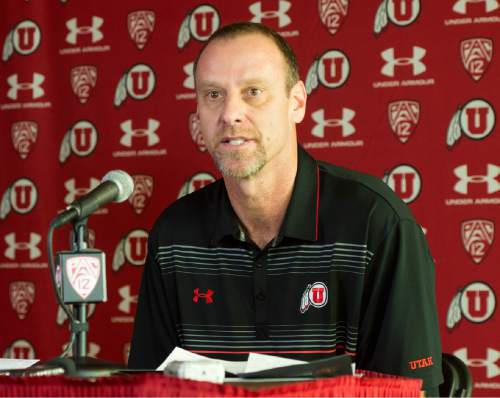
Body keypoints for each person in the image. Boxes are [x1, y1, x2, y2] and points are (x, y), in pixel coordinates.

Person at [128, 22, 443, 393]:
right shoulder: (174, 235)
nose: (230, 113)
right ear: (197, 112)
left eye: (253, 92)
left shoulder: (377, 225)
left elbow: (411, 391)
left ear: (297, 102)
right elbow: (148, 388)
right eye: (213, 94)